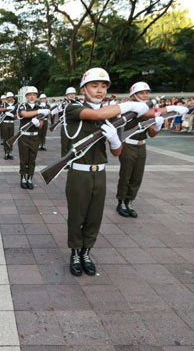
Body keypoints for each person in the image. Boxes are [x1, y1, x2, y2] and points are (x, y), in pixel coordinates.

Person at [62, 68, 151, 277]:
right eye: (94, 86)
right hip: (79, 173)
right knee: (77, 215)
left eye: (103, 86)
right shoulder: (74, 108)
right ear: (84, 89)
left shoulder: (111, 114)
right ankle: (75, 252)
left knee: (95, 216)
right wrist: (127, 105)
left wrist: (114, 140)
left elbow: (117, 152)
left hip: (99, 173)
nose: (100, 90)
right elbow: (97, 114)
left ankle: (86, 252)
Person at [116, 81, 165, 218]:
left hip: (141, 145)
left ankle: (129, 201)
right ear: (133, 95)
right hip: (128, 145)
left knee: (137, 176)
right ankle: (121, 202)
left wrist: (157, 127)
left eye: (146, 93)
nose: (145, 95)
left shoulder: (151, 110)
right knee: (126, 175)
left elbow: (151, 134)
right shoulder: (128, 109)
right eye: (141, 93)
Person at [17, 86, 48, 189]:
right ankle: (23, 177)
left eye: (34, 95)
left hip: (34, 137)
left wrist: (37, 123)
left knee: (32, 159)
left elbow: (41, 126)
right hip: (24, 137)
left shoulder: (41, 108)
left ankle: (30, 178)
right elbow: (24, 114)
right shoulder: (23, 106)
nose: (32, 97)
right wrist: (38, 112)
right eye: (29, 95)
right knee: (24, 158)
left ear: (36, 96)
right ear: (26, 96)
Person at [0, 92, 17, 159]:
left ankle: (10, 152)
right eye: (9, 97)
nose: (10, 98)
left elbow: (16, 117)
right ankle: (6, 152)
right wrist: (7, 109)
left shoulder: (15, 105)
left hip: (11, 123)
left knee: (11, 138)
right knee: (6, 138)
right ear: (7, 98)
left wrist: (12, 115)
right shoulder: (4, 104)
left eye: (11, 97)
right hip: (5, 123)